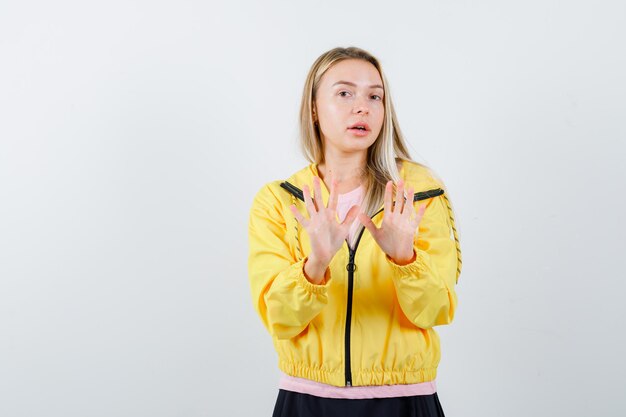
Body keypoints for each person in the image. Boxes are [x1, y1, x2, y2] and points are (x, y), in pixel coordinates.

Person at [247, 46, 462, 417]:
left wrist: (404, 259)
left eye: (374, 96)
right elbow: (279, 318)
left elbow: (435, 310)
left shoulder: (418, 195)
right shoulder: (280, 201)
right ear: (313, 108)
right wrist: (315, 264)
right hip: (307, 401)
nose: (362, 107)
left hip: (405, 401)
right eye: (345, 93)